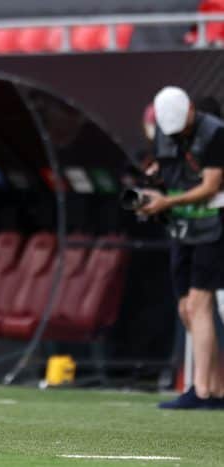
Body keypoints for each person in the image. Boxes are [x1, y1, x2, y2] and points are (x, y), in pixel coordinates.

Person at [139, 86, 224, 409]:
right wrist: (152, 191)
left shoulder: (215, 134)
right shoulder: (165, 133)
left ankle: (200, 390)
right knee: (187, 308)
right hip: (182, 228)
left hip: (213, 226)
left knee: (200, 304)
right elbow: (170, 174)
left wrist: (167, 202)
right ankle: (215, 388)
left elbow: (211, 186)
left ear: (191, 109)